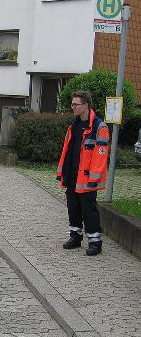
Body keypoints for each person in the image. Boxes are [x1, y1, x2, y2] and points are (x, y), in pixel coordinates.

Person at [56, 91, 110, 256]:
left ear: (85, 105)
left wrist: (93, 179)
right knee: (73, 208)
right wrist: (63, 173)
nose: (72, 107)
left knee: (89, 211)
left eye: (75, 104)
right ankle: (75, 236)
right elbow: (67, 151)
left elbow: (100, 157)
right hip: (72, 176)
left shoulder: (99, 127)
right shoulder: (74, 125)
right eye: (72, 104)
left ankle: (95, 242)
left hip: (87, 179)